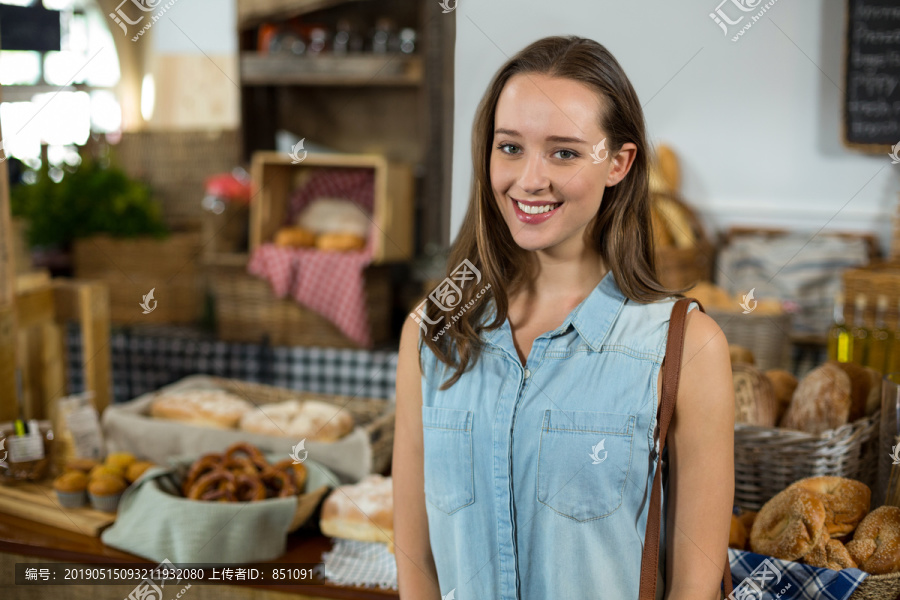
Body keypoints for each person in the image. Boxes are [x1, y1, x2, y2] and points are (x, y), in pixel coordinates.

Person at [393, 35, 734, 600]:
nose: (529, 180)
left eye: (565, 152)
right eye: (510, 148)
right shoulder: (432, 334)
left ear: (618, 164)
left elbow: (695, 588)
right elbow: (416, 562)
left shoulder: (687, 346)